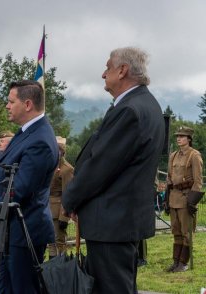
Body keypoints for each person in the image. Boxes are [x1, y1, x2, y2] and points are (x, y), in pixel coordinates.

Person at [62, 47, 165, 293]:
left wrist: (71, 200)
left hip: (112, 221)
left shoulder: (130, 110)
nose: (102, 74)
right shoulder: (144, 104)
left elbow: (100, 166)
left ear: (122, 71)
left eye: (107, 67)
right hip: (119, 220)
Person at [0, 80, 58, 294]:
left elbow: (21, 188)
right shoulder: (26, 132)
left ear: (27, 104)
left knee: (21, 289)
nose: (6, 106)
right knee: (2, 289)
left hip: (24, 232)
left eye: (10, 101)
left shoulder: (40, 139)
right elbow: (1, 173)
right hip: (8, 229)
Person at [165, 126, 203, 272]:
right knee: (176, 232)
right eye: (177, 136)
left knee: (187, 233)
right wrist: (167, 200)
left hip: (186, 199)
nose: (178, 138)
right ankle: (176, 262)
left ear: (189, 139)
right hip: (174, 198)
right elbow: (169, 178)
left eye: (182, 136)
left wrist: (192, 201)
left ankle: (183, 263)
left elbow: (198, 181)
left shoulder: (194, 155)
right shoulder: (173, 155)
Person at [47, 136, 74, 258]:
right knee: (50, 241)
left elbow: (68, 193)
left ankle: (62, 265)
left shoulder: (66, 169)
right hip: (47, 208)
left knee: (59, 241)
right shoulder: (50, 166)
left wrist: (64, 218)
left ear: (61, 152)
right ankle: (52, 266)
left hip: (58, 210)